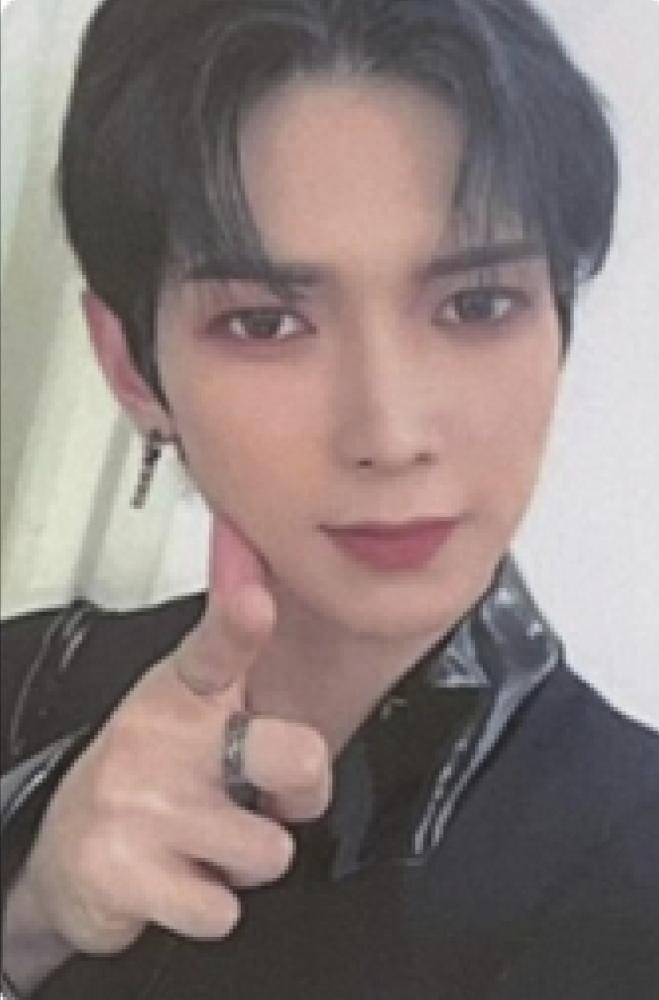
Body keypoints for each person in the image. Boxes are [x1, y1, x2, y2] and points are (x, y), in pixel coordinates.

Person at [1, 0, 658, 997]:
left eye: (476, 305)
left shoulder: (629, 877)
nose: (389, 435)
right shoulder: (22, 693)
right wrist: (29, 922)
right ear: (132, 367)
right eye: (265, 323)